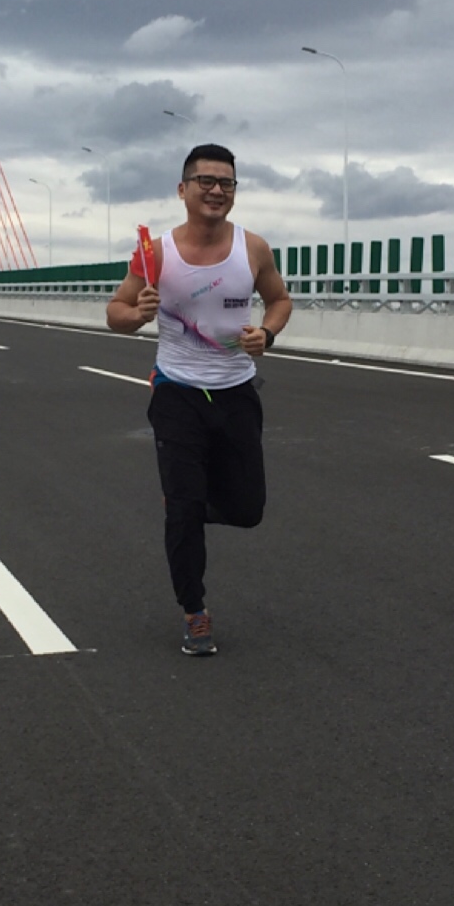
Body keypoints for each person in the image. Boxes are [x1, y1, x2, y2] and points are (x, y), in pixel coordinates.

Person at [107, 144, 291, 655]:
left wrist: (267, 334)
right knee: (183, 511)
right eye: (205, 181)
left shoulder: (253, 248)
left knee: (248, 509)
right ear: (183, 189)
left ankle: (188, 501)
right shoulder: (156, 253)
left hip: (236, 392)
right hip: (177, 392)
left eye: (226, 183)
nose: (216, 190)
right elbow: (116, 311)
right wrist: (138, 314)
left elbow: (279, 299)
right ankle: (195, 612)